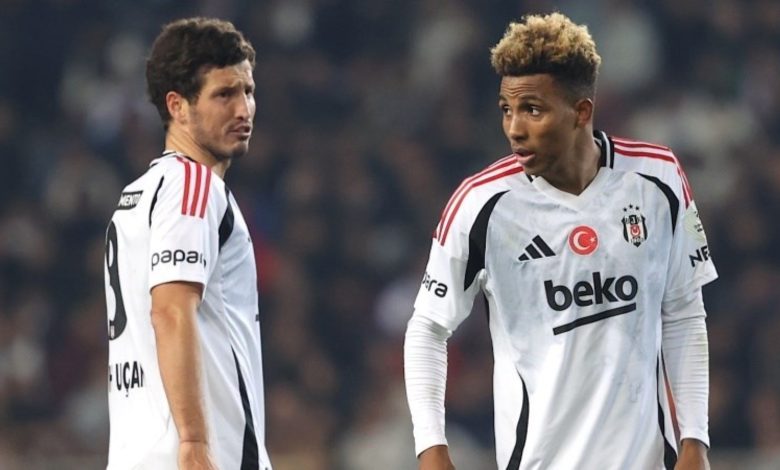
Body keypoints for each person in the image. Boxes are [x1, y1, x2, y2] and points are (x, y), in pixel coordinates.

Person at [404, 12, 717, 470]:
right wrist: (431, 448)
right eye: (506, 109)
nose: (514, 128)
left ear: (581, 111)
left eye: (533, 109)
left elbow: (684, 311)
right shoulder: (480, 204)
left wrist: (695, 439)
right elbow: (427, 328)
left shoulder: (659, 178)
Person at [103, 18, 271, 470]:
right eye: (224, 94)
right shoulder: (193, 186)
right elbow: (171, 310)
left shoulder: (136, 197)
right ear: (177, 105)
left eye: (248, 91)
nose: (243, 109)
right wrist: (195, 441)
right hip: (204, 454)